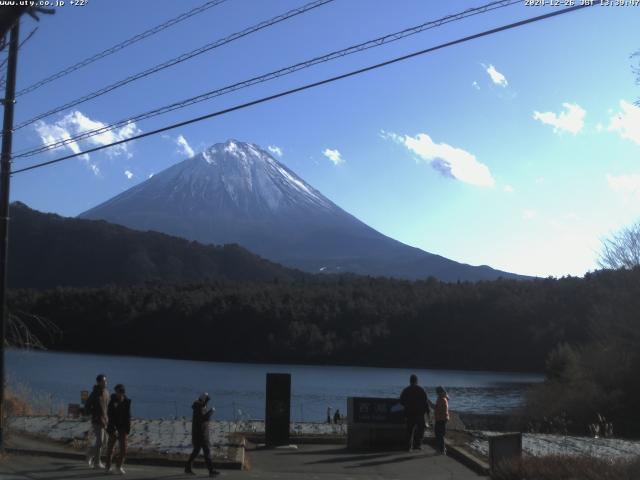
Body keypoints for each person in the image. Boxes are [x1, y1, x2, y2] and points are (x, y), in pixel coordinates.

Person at [185, 392, 219, 477]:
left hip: (200, 434)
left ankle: (188, 468)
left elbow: (202, 419)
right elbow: (203, 419)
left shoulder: (199, 406)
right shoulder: (199, 408)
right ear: (204, 399)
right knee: (206, 452)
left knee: (196, 452)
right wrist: (211, 411)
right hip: (201, 434)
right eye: (207, 400)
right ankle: (211, 471)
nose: (207, 402)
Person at [105, 384, 131, 474]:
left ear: (122, 392)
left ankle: (118, 466)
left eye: (118, 392)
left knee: (124, 449)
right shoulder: (112, 401)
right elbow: (110, 416)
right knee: (111, 448)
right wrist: (113, 428)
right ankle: (108, 466)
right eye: (116, 391)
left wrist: (128, 429)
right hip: (113, 428)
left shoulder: (126, 402)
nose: (117, 394)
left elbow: (128, 416)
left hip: (123, 428)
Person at [400, 374, 430, 451]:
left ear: (410, 381)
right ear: (417, 381)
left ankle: (408, 447)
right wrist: (428, 412)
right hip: (419, 414)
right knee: (421, 429)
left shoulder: (406, 390)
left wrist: (407, 406)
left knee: (409, 430)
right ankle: (417, 445)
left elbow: (401, 401)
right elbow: (425, 402)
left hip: (409, 413)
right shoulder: (421, 390)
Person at [85, 374, 109, 469]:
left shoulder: (106, 392)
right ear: (98, 382)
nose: (105, 383)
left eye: (106, 381)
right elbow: (87, 407)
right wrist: (95, 414)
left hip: (106, 421)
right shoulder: (94, 393)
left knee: (104, 443)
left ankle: (90, 454)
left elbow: (108, 406)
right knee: (100, 442)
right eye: (103, 381)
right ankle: (97, 463)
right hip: (97, 421)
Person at [434, 386, 449, 455]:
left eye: (437, 392)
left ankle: (442, 450)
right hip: (442, 418)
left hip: (441, 419)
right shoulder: (443, 398)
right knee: (440, 434)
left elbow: (436, 408)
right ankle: (441, 449)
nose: (437, 393)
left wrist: (428, 402)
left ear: (440, 392)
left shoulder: (442, 399)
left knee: (439, 434)